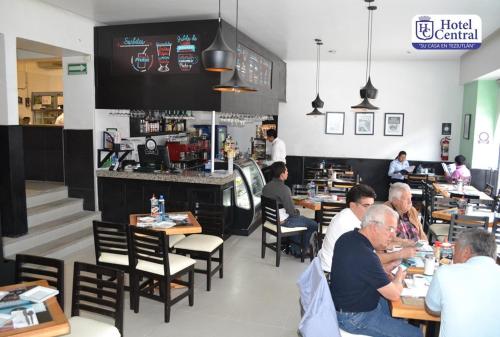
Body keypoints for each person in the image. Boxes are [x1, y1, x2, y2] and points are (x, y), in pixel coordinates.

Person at [331, 205, 422, 337]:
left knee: (398, 315)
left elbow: (358, 271)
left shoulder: (348, 238)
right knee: (416, 334)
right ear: (374, 227)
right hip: (355, 317)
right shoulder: (365, 255)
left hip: (346, 305)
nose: (393, 235)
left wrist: (383, 270)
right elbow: (394, 294)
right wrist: (399, 277)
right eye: (389, 229)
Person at [426, 229, 500, 337]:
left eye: (455, 251)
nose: (453, 256)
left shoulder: (445, 272)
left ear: (466, 252)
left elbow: (431, 308)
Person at [261, 161, 318, 256]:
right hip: (283, 222)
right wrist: (297, 212)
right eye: (286, 171)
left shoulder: (266, 187)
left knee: (298, 219)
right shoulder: (284, 189)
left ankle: (294, 247)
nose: (288, 172)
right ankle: (303, 249)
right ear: (282, 174)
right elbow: (291, 212)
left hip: (270, 219)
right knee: (313, 224)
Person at [317, 184, 377, 272]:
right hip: (332, 274)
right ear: (352, 205)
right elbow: (365, 258)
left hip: (337, 267)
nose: (371, 210)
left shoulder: (352, 216)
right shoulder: (346, 222)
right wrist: (399, 254)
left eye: (372, 206)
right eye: (366, 206)